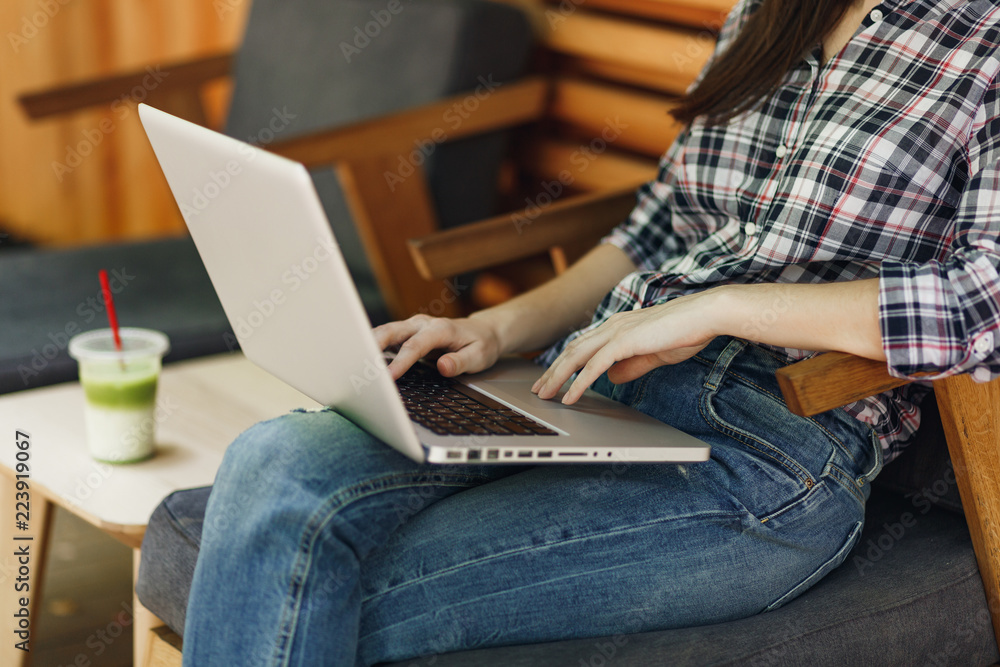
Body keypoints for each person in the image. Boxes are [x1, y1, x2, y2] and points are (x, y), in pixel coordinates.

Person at [181, 0, 1000, 664]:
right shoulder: (769, 12)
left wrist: (719, 306)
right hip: (592, 387)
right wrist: (497, 326)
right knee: (272, 458)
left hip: (767, 455)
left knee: (297, 586)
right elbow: (655, 228)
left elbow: (982, 299)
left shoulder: (984, 41)